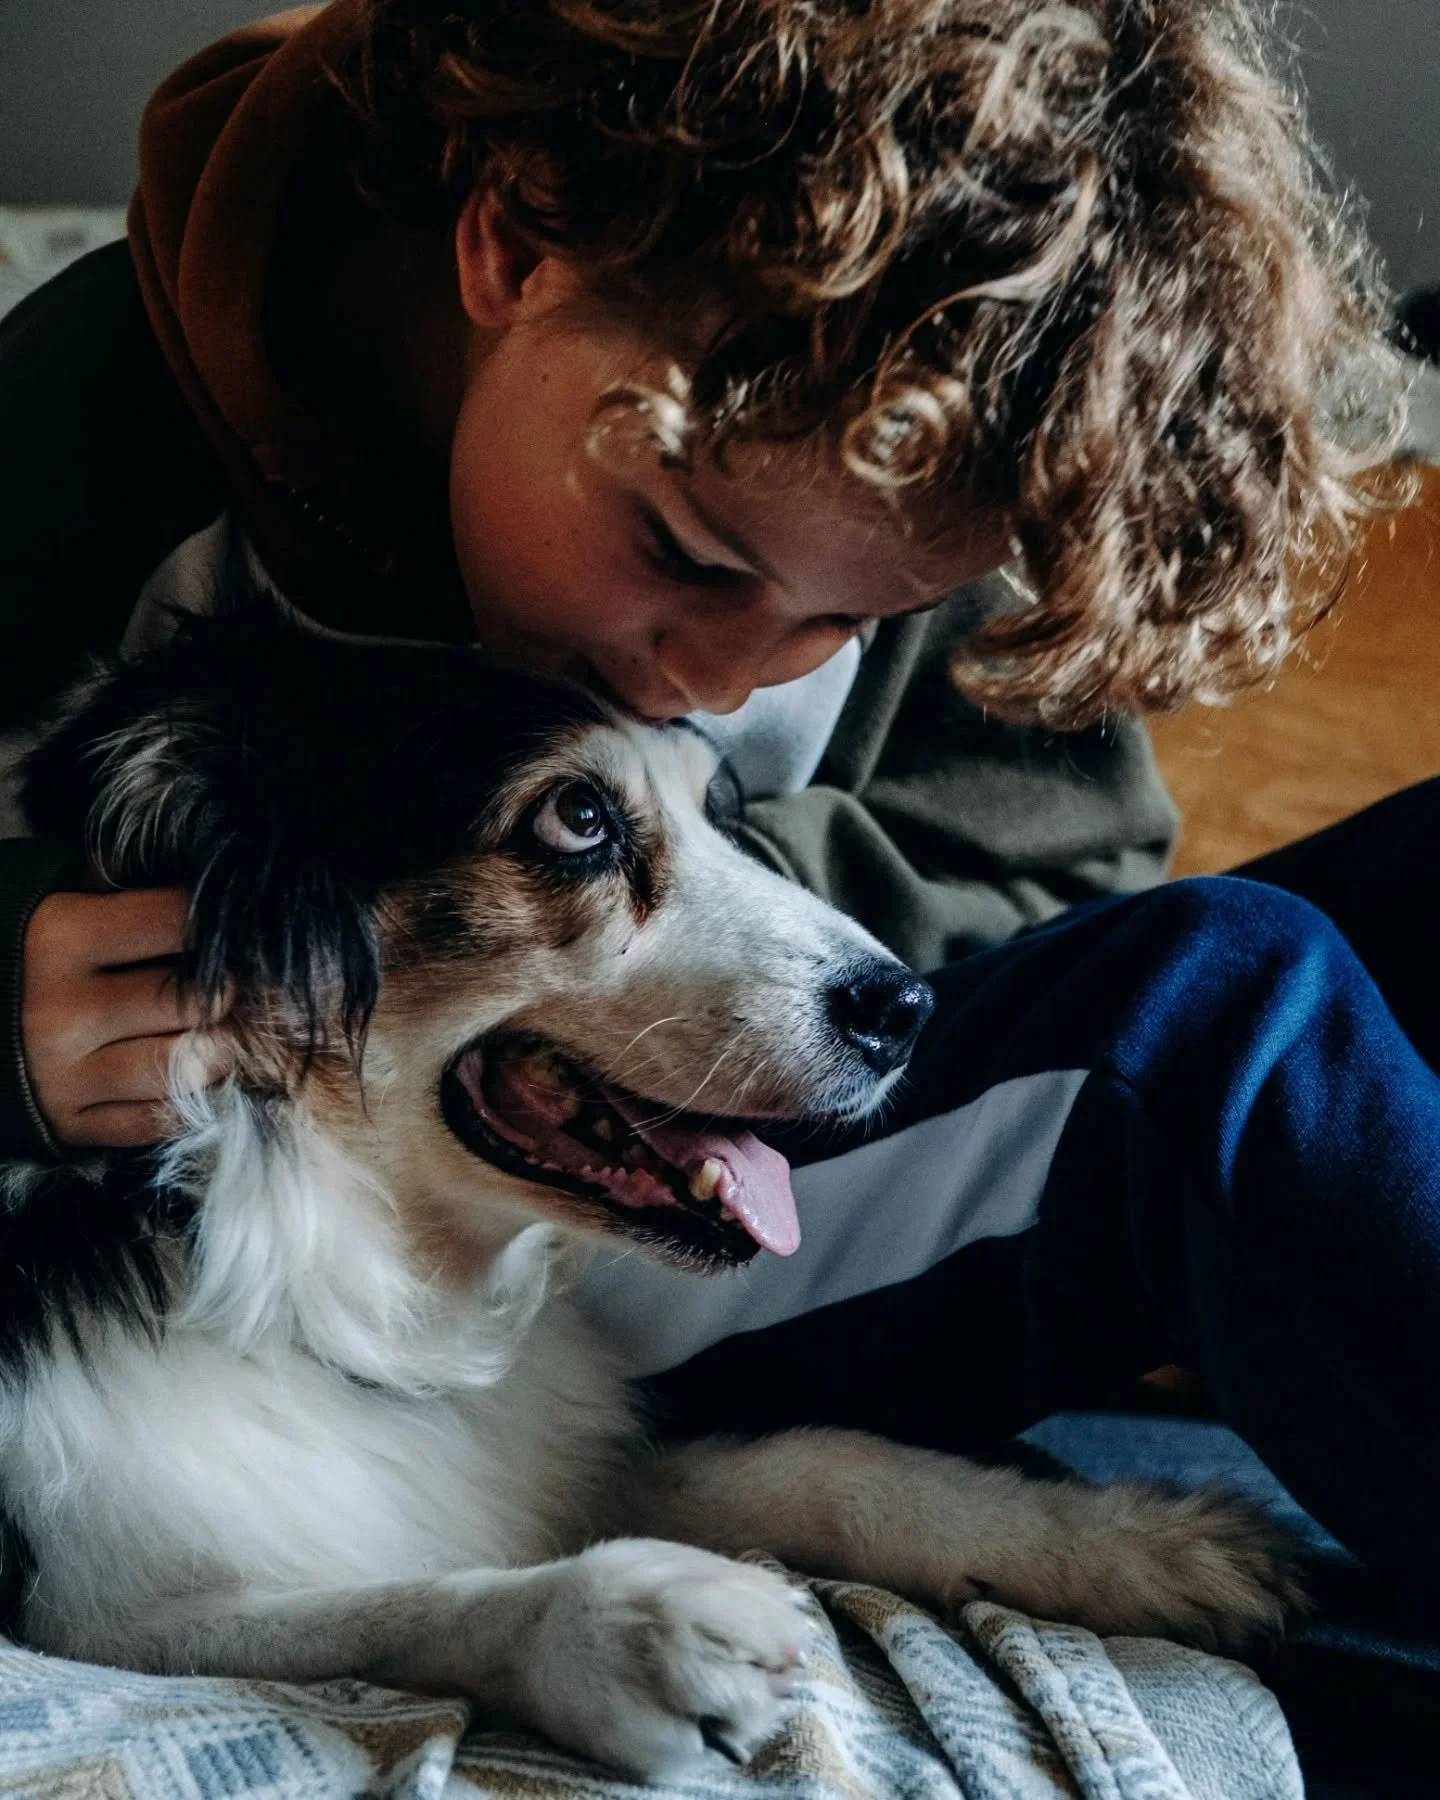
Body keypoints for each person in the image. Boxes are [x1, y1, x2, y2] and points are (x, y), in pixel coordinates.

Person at [0, 0, 1431, 1622]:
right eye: (685, 552)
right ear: (510, 244)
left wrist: (710, 933)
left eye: (836, 626)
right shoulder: (85, 431)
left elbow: (1071, 856)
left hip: (743, 1119)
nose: (716, 678)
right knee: (1213, 1012)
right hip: (390, 1247)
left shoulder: (894, 413)